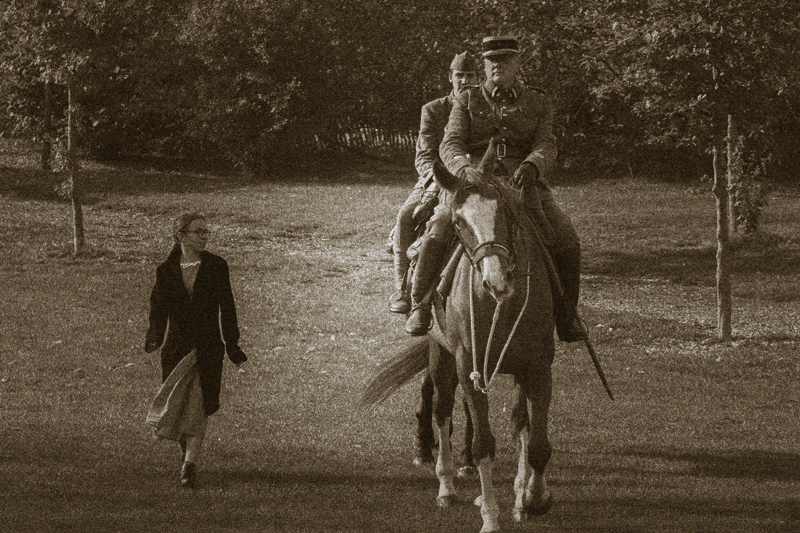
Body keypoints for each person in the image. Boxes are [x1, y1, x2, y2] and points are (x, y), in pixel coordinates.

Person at [419, 35, 587, 342]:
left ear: (517, 63)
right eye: (492, 61)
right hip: (473, 185)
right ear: (484, 65)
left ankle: (567, 315)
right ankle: (420, 302)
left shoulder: (537, 101)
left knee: (566, 238)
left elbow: (546, 142)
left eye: (505, 60)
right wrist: (462, 169)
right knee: (438, 228)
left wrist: (534, 164)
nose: (498, 66)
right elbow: (450, 141)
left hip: (523, 183)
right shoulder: (467, 99)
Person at [144, 212, 247, 489]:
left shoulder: (216, 266)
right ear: (180, 236)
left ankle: (189, 466)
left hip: (207, 349)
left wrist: (232, 345)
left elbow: (228, 307)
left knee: (199, 407)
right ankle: (184, 454)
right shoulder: (165, 270)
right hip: (176, 350)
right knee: (178, 406)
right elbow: (158, 307)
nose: (204, 236)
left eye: (206, 231)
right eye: (197, 232)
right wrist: (154, 337)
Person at [388, 51, 478, 318]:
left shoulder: (482, 107)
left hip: (470, 180)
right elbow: (425, 155)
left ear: (477, 78)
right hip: (435, 178)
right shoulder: (434, 109)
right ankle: (403, 288)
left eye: (470, 76)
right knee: (406, 215)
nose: (464, 81)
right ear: (450, 78)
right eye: (459, 76)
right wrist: (435, 182)